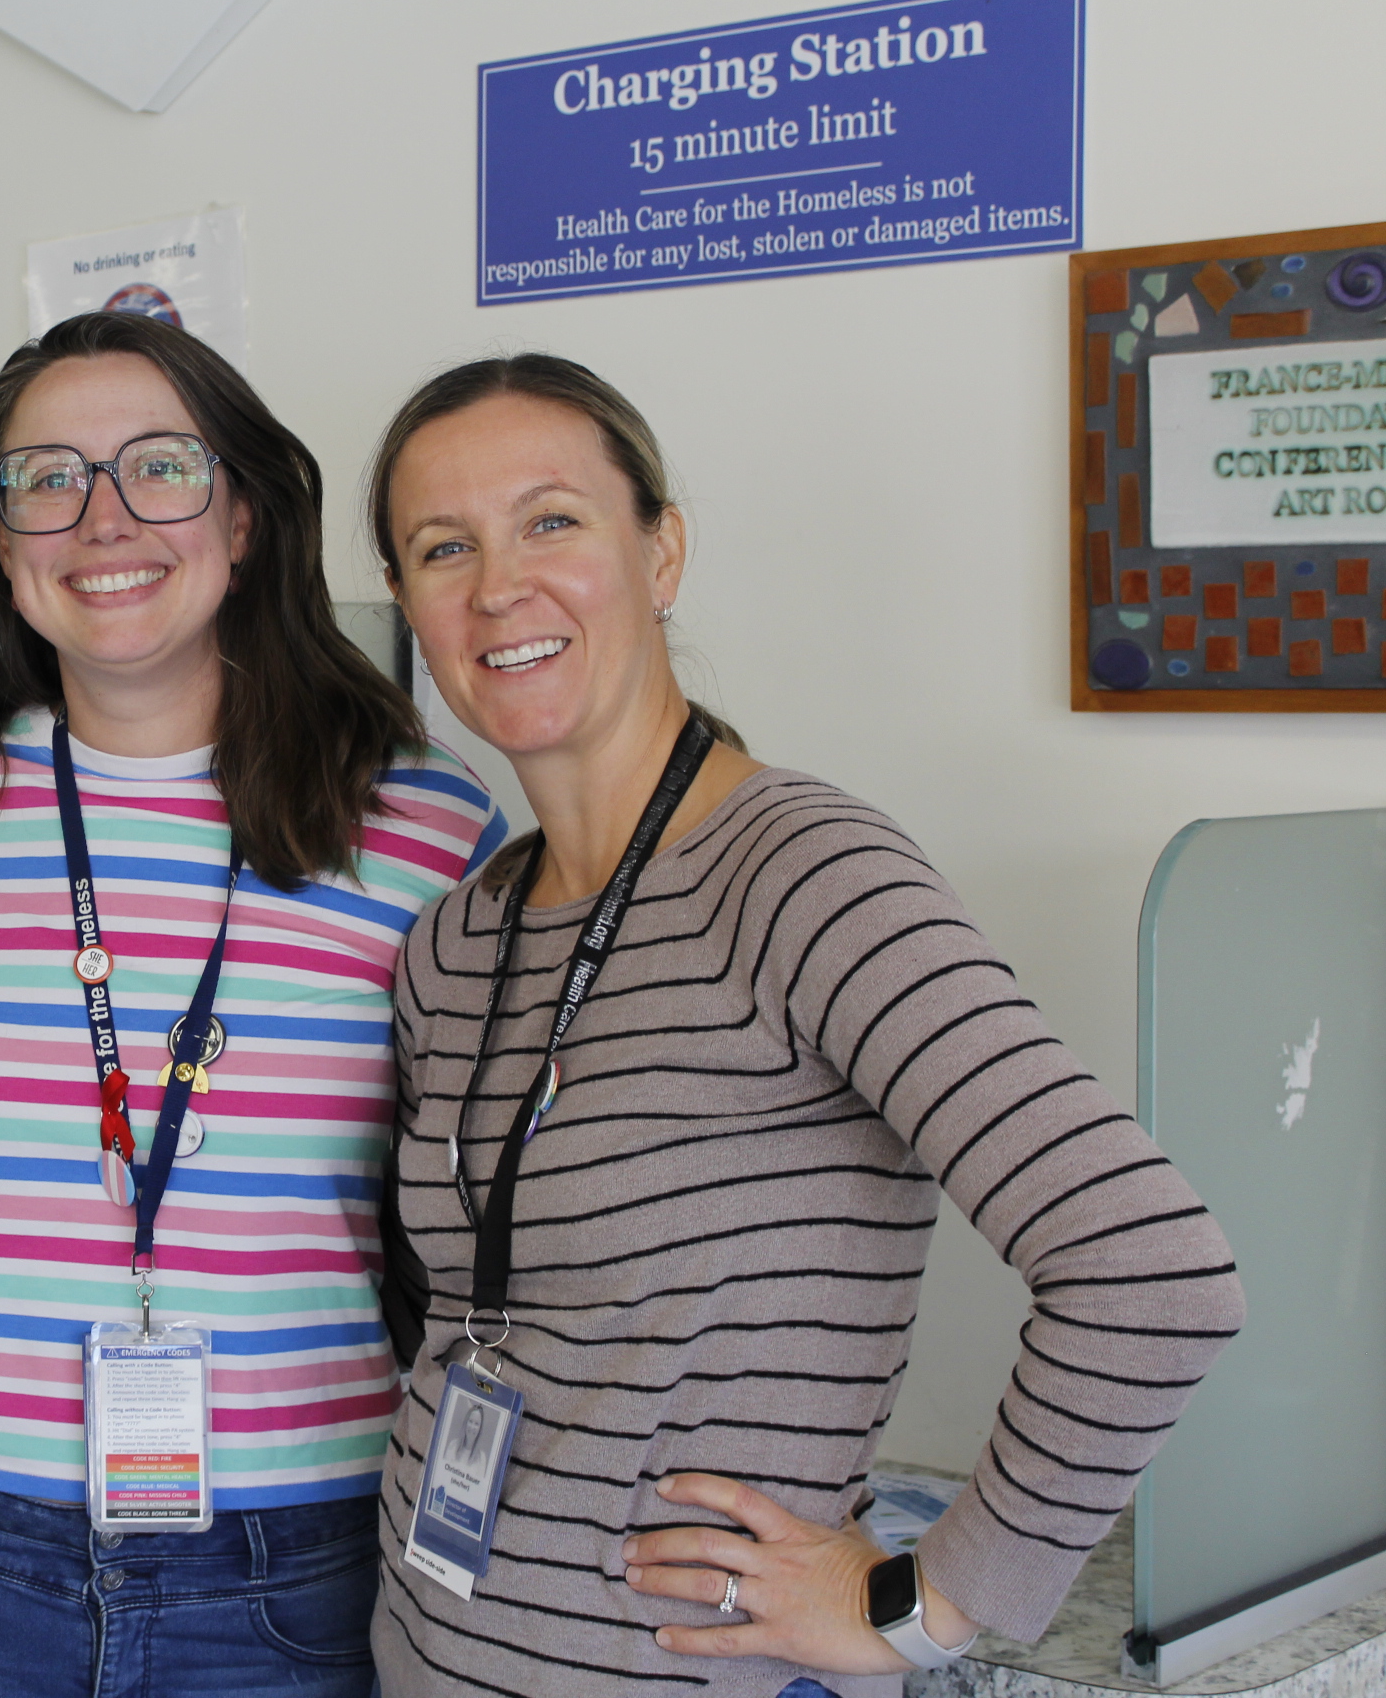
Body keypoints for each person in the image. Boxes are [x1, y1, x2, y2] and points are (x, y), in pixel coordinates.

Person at [370, 354, 1244, 1698]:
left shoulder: (802, 875)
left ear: (661, 554)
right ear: (409, 608)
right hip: (422, 1660)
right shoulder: (456, 939)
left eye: (553, 520)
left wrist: (929, 1603)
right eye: (444, 548)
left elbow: (1149, 1268)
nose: (498, 586)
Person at [0, 311, 507, 1698]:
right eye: (47, 478)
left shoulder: (427, 826)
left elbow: (474, 1190)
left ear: (244, 516)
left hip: (291, 1554)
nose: (102, 518)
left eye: (161, 467)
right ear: (0, 544)